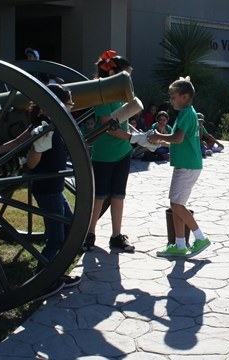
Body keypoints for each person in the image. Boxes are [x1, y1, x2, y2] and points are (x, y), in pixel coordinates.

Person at [0, 83, 81, 297]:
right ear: (57, 104)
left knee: (69, 226)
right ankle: (43, 280)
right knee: (55, 237)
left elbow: (16, 142)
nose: (71, 107)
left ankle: (56, 273)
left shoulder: (52, 124)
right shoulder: (44, 126)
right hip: (47, 188)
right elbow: (32, 159)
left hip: (54, 187)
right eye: (69, 103)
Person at [83, 50, 140, 252]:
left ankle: (116, 235)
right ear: (114, 73)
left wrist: (138, 133)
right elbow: (109, 125)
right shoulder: (103, 97)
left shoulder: (121, 95)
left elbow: (123, 120)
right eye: (126, 73)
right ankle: (89, 234)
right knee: (99, 196)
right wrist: (132, 138)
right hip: (104, 154)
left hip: (122, 154)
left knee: (118, 196)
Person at [147, 76, 211, 258]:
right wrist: (154, 141)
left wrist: (158, 136)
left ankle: (200, 237)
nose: (170, 100)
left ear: (184, 96)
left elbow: (177, 138)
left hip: (187, 166)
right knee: (176, 205)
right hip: (187, 165)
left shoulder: (185, 114)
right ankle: (180, 244)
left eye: (173, 96)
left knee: (177, 205)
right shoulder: (187, 113)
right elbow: (178, 142)